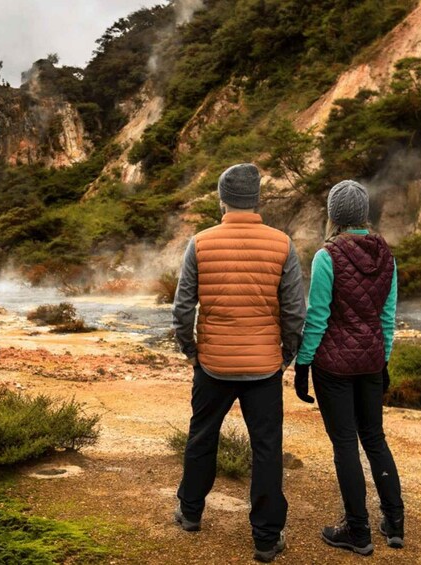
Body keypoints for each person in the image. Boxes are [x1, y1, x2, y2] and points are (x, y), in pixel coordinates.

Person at [171, 163, 307, 563]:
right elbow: (294, 312)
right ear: (257, 199)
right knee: (267, 449)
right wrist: (285, 354)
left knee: (201, 438)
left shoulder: (200, 242)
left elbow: (182, 308)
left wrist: (191, 351)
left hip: (212, 363)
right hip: (264, 366)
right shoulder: (282, 244)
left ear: (222, 198)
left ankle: (191, 513)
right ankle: (266, 538)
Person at [293, 179, 405, 556]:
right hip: (372, 362)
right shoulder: (387, 255)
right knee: (374, 439)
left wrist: (302, 364)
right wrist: (384, 359)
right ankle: (394, 521)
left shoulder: (327, 256)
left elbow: (319, 317)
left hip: (334, 367)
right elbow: (387, 318)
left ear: (333, 216)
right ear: (364, 215)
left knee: (345, 445)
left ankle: (357, 530)